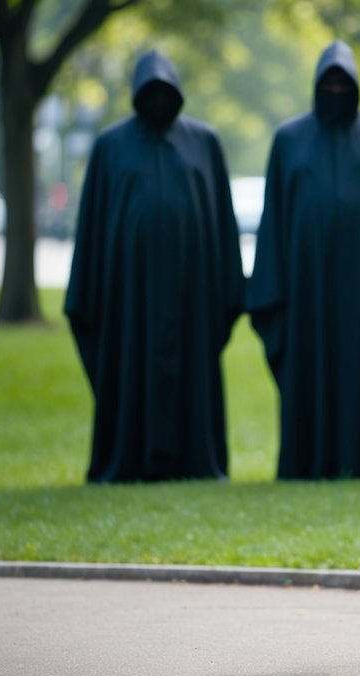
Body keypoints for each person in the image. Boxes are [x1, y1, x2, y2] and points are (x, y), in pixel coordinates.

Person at [65, 49, 244, 483]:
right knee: (131, 368)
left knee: (190, 374)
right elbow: (94, 230)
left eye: (167, 92)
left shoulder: (205, 144)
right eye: (152, 92)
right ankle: (125, 459)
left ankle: (194, 461)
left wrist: (227, 290)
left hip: (192, 296)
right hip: (129, 298)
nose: (160, 101)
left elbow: (221, 224)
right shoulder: (110, 148)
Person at [246, 40, 360, 479]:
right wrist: (275, 292)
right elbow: (275, 220)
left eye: (345, 83)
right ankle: (310, 459)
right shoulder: (288, 140)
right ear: (316, 86)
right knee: (310, 371)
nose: (337, 90)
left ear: (357, 86)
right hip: (308, 294)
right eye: (329, 83)